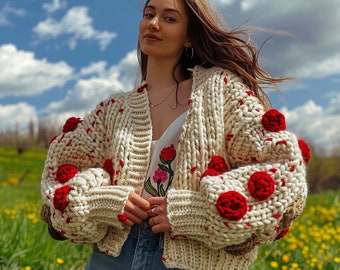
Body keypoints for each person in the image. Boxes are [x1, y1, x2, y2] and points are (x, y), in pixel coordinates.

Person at [40, 0, 311, 269]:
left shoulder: (221, 91)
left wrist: (196, 213)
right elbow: (61, 169)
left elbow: (284, 168)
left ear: (189, 37)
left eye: (169, 18)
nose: (153, 23)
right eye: (149, 14)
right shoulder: (113, 110)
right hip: (113, 256)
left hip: (196, 257)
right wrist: (105, 202)